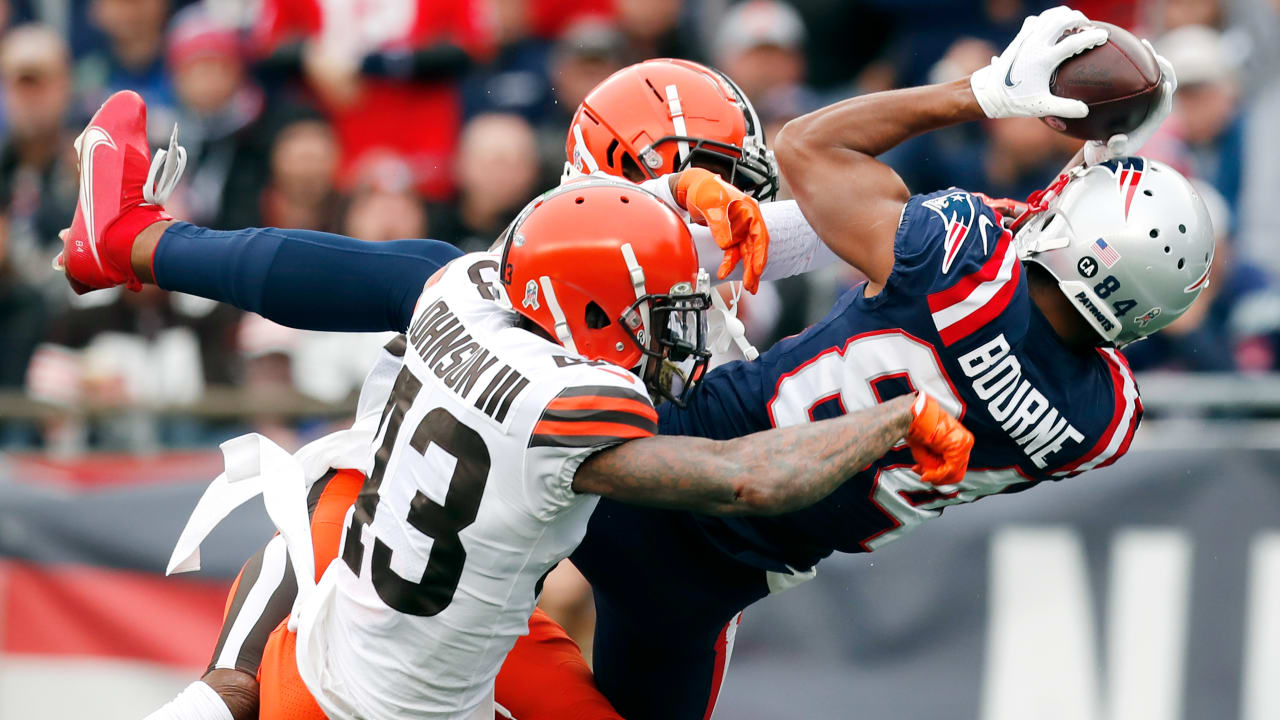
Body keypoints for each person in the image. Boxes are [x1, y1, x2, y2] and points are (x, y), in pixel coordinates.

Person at [64, 90, 971, 720]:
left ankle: (133, 241)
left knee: (314, 527)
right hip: (405, 691)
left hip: (344, 623)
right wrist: (902, 412)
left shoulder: (464, 291)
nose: (687, 320)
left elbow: (597, 249)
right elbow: (746, 479)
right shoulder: (573, 399)